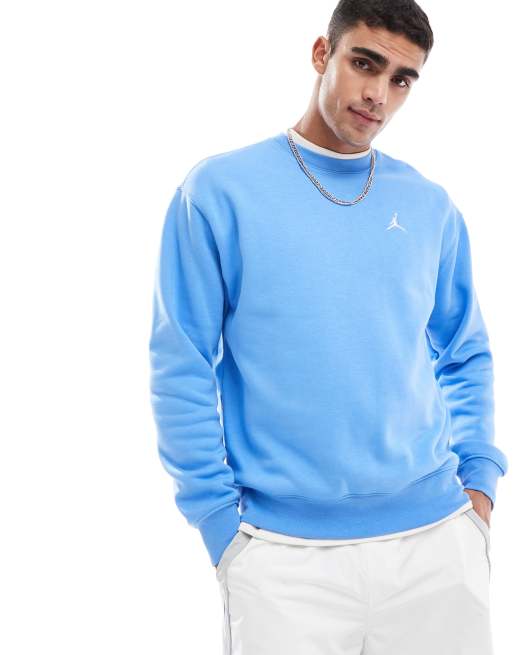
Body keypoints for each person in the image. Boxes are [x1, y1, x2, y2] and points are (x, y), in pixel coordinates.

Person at [148, 1, 509, 652]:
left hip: (436, 544)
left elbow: (464, 351)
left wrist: (479, 484)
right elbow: (182, 362)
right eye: (364, 64)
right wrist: (215, 519)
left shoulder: (429, 205)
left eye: (401, 79)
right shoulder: (220, 191)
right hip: (282, 556)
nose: (378, 94)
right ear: (323, 54)